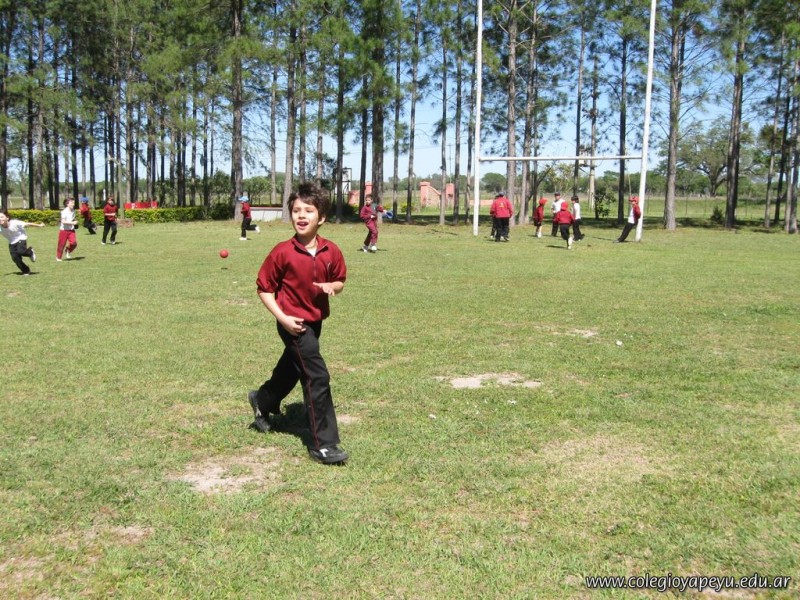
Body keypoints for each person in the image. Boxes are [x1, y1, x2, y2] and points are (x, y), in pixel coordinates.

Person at [248, 182, 349, 465]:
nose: (301, 215)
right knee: (316, 375)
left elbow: (340, 280)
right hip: (292, 322)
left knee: (292, 368)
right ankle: (324, 444)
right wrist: (282, 318)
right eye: (296, 210)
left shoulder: (331, 250)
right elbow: (264, 288)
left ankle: (262, 400)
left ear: (322, 217)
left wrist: (332, 287)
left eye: (308, 210)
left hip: (315, 322)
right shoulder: (282, 252)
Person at [0, 211, 43, 275]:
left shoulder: (14, 223)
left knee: (21, 251)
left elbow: (27, 224)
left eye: (2, 217)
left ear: (7, 218)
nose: (0, 219)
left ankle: (30, 252)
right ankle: (26, 270)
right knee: (15, 258)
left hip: (21, 238)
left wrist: (39, 225)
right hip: (11, 242)